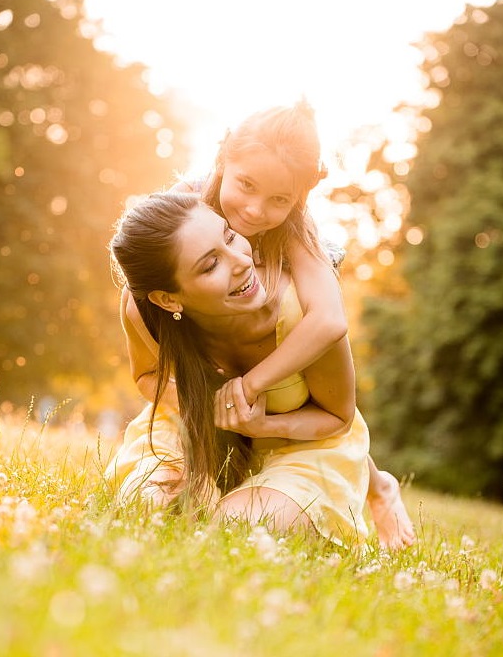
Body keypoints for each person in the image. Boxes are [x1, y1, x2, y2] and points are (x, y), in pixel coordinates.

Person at [115, 101, 415, 548]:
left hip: (295, 407)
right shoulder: (190, 209)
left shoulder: (295, 234)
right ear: (222, 160)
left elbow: (329, 323)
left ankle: (377, 485)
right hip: (213, 378)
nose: (254, 212)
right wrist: (210, 403)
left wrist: (250, 386)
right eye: (246, 187)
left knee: (303, 377)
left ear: (299, 197)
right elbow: (153, 247)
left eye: (279, 198)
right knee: (156, 514)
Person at [107, 192, 370, 543]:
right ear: (168, 298)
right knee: (152, 510)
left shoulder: (301, 312)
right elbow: (146, 376)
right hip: (194, 432)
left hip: (302, 446)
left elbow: (339, 419)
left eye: (229, 236)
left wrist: (261, 426)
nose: (241, 261)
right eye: (209, 264)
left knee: (236, 529)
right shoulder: (143, 311)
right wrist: (206, 409)